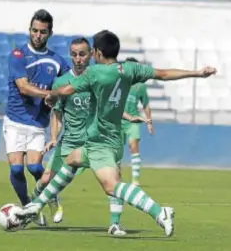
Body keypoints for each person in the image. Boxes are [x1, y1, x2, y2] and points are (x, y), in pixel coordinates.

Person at [15, 30, 216, 237]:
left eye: (92, 50)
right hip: (111, 138)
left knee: (112, 187)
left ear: (98, 53)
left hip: (100, 142)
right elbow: (163, 74)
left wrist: (52, 96)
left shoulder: (94, 73)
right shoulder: (130, 69)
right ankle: (36, 205)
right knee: (72, 159)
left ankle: (159, 211)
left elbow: (66, 91)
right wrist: (197, 73)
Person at [35, 37, 127, 235]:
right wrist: (53, 137)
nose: (78, 58)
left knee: (114, 180)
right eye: (74, 54)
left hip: (95, 141)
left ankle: (115, 224)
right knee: (45, 180)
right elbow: (57, 114)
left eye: (82, 54)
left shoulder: (98, 78)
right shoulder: (62, 82)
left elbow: (109, 106)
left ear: (92, 54)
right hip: (69, 142)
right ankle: (32, 206)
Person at [3, 9, 70, 225]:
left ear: (50, 32)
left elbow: (71, 84)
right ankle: (28, 207)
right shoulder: (18, 56)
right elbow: (23, 87)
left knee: (34, 167)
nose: (37, 35)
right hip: (14, 120)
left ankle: (50, 197)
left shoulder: (57, 61)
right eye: (34, 30)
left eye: (43, 31)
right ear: (29, 30)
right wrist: (51, 94)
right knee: (15, 168)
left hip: (37, 123)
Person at [122, 57, 154, 186]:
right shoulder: (118, 82)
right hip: (117, 120)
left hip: (133, 121)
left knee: (133, 146)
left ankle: (135, 180)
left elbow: (145, 104)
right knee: (116, 151)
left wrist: (149, 123)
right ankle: (115, 177)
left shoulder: (140, 86)